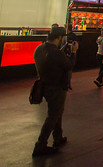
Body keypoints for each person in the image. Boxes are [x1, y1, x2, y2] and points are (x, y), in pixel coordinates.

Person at [32, 26, 78, 157]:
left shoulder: (40, 48)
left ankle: (58, 137)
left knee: (57, 111)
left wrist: (62, 52)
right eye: (62, 38)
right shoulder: (56, 53)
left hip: (44, 85)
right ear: (59, 38)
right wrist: (74, 52)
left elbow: (51, 61)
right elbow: (69, 65)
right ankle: (40, 144)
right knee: (53, 115)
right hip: (56, 87)